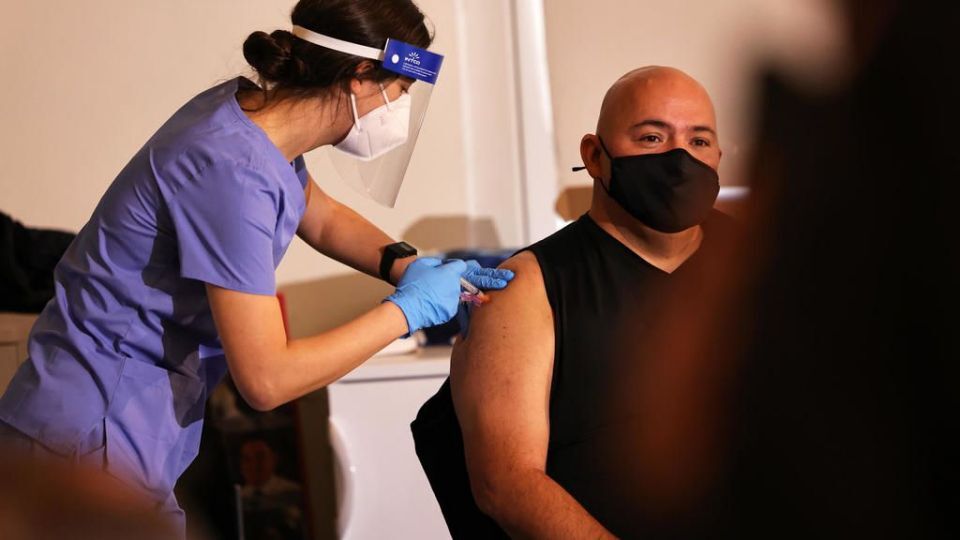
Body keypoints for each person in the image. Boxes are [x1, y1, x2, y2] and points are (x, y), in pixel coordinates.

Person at [0, 0, 512, 534]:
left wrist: (405, 266)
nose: (401, 111)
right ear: (361, 76)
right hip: (87, 434)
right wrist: (407, 311)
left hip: (109, 425)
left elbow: (320, 215)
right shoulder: (233, 171)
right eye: (401, 91)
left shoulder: (248, 114)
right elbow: (267, 379)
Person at [412, 66, 739, 538]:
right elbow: (507, 484)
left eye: (699, 141)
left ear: (718, 157)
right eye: (651, 138)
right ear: (594, 156)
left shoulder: (757, 262)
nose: (679, 158)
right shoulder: (527, 287)